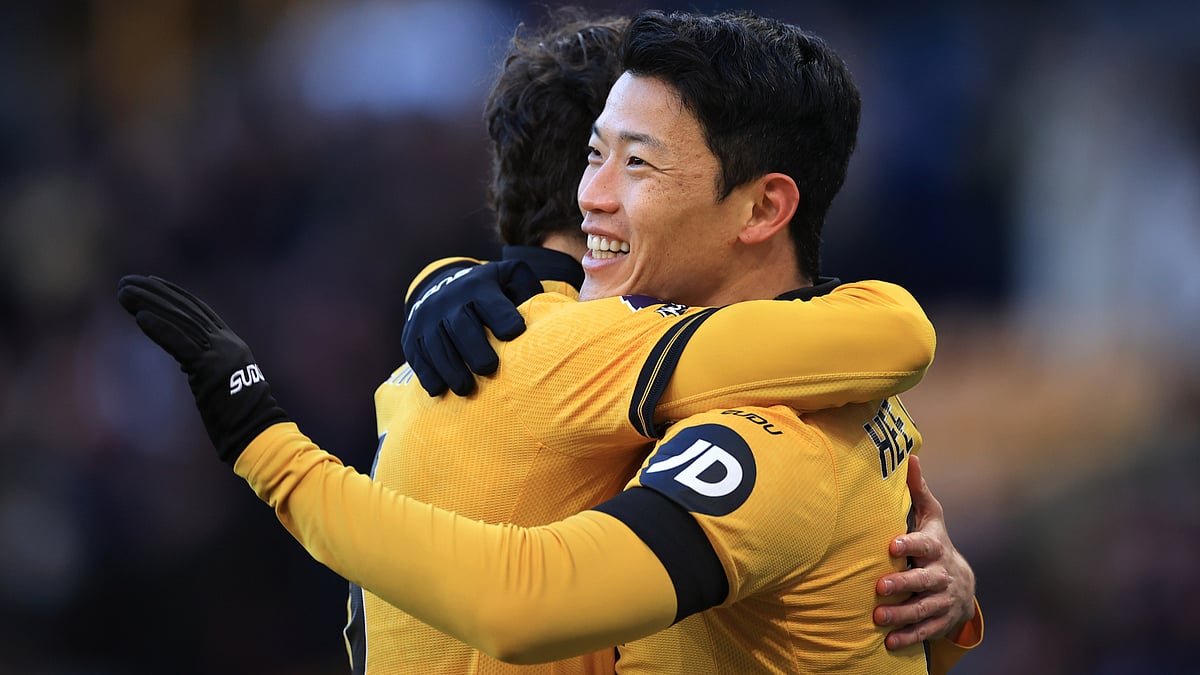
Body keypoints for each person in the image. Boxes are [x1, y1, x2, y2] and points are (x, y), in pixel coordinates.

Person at [117, 7, 980, 674]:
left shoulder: (766, 428)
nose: (593, 196)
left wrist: (268, 446)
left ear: (762, 207)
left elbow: (524, 597)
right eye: (594, 156)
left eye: (635, 164)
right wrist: (952, 615)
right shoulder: (832, 369)